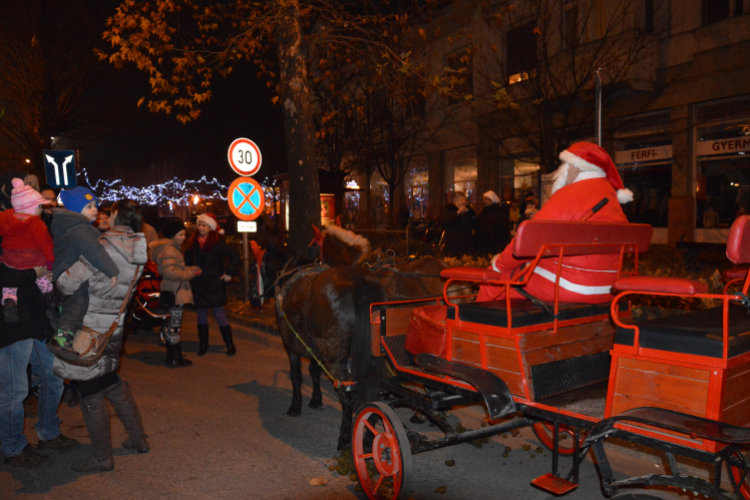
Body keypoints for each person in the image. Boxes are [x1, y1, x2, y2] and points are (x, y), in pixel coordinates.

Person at [53, 199, 149, 473]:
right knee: (111, 381)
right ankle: (138, 438)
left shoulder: (101, 245)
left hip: (87, 325)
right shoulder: (140, 249)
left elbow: (70, 280)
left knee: (89, 390)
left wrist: (55, 288)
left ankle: (101, 456)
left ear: (116, 215)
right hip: (114, 326)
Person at [477, 142, 632, 304]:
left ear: (575, 166)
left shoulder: (570, 194)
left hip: (572, 286)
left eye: (565, 164)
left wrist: (498, 264)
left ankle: (474, 328)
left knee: (492, 281)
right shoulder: (611, 199)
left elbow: (528, 241)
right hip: (610, 287)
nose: (562, 169)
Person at [0, 262, 78, 467]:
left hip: (39, 323)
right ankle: (13, 448)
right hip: (11, 328)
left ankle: (49, 432)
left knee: (54, 379)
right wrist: (33, 272)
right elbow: (6, 275)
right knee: (14, 392)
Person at [48, 187, 119, 352]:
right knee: (77, 306)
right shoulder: (81, 229)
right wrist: (111, 271)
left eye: (95, 205)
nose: (95, 209)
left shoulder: (74, 227)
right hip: (72, 276)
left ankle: (65, 335)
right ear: (75, 209)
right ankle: (62, 339)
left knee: (74, 306)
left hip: (69, 274)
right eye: (89, 206)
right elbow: (95, 251)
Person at [184, 213, 240, 356]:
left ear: (211, 228)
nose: (201, 228)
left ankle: (229, 344)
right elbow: (187, 259)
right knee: (201, 315)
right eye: (200, 225)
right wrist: (190, 270)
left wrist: (229, 273)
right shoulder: (193, 244)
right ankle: (203, 344)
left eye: (204, 225)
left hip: (215, 283)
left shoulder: (217, 244)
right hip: (200, 284)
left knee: (219, 314)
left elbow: (234, 255)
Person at [0, 179, 55, 321]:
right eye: (38, 207)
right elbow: (47, 245)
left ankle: (9, 301)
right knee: (42, 278)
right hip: (33, 260)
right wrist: (50, 264)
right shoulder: (36, 224)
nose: (40, 210)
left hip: (10, 260)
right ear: (30, 207)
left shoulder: (6, 218)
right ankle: (49, 297)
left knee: (10, 285)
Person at [149, 220, 201, 368]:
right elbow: (170, 272)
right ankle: (175, 357)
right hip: (175, 291)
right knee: (175, 325)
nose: (184, 237)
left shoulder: (170, 249)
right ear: (172, 236)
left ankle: (172, 356)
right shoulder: (169, 250)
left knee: (173, 324)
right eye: (181, 234)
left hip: (172, 290)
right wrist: (191, 273)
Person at [438, 191, 477, 257]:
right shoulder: (448, 210)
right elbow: (444, 222)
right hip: (453, 247)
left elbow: (474, 223)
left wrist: (472, 212)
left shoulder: (467, 211)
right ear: (455, 202)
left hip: (466, 246)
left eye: (464, 199)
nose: (464, 202)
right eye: (461, 200)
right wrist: (457, 213)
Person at [476, 190, 511, 256]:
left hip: (496, 246)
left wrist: (501, 246)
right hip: (484, 247)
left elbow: (504, 231)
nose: (484, 201)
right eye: (484, 199)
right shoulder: (484, 212)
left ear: (492, 200)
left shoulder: (500, 213)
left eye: (486, 199)